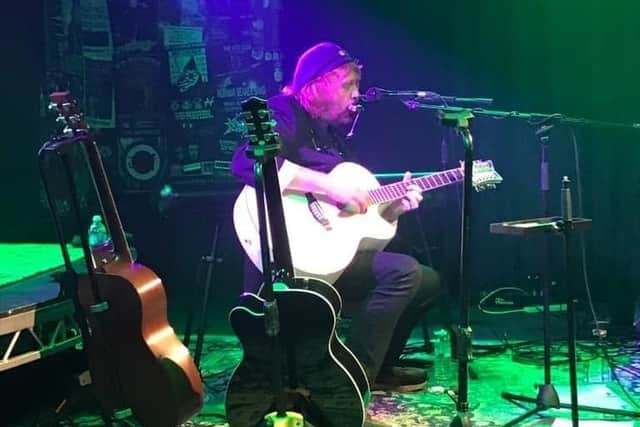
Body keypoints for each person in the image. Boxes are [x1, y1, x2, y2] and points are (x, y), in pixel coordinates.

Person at [230, 42, 442, 395]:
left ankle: (379, 365)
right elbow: (246, 162)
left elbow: (357, 215)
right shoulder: (284, 112)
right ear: (315, 84)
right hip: (292, 258)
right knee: (403, 272)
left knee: (429, 281)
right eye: (348, 85)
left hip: (332, 255)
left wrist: (393, 208)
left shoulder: (332, 136)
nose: (356, 96)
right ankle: (348, 382)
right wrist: (327, 185)